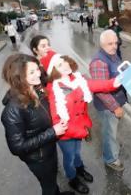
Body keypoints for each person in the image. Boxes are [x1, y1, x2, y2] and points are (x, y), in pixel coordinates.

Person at [40, 51, 121, 194]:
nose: (65, 65)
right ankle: (72, 178)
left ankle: (80, 169)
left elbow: (97, 84)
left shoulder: (77, 79)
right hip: (65, 132)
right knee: (69, 157)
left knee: (77, 153)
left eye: (64, 61)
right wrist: (80, 131)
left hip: (80, 126)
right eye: (59, 64)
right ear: (53, 70)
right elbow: (56, 119)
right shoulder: (54, 89)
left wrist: (115, 82)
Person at [1, 54, 74, 195]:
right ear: (18, 77)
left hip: (49, 148)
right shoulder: (12, 110)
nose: (38, 74)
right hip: (38, 158)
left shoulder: (37, 90)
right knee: (48, 185)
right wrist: (52, 132)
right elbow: (17, 147)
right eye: (32, 72)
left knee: (52, 179)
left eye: (37, 69)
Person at [89, 29, 128, 172]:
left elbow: (120, 74)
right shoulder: (99, 62)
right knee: (109, 133)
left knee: (112, 131)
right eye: (110, 43)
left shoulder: (113, 55)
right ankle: (110, 159)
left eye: (116, 43)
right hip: (108, 107)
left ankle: (113, 148)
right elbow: (101, 91)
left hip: (117, 101)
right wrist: (115, 107)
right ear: (102, 44)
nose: (114, 46)